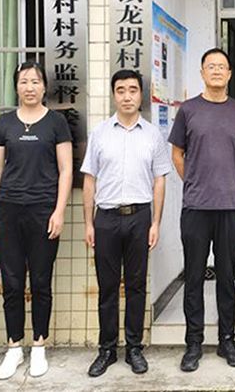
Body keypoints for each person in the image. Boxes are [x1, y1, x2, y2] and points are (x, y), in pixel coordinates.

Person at [0, 61, 73, 380]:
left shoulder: (56, 122)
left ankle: (39, 346)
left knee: (42, 281)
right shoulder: (5, 123)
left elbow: (66, 170)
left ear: (44, 86)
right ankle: (14, 347)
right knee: (12, 282)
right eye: (24, 81)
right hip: (8, 211)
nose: (30, 87)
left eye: (35, 81)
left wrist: (59, 211)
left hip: (43, 211)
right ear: (17, 87)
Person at [81, 70, 172, 377]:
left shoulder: (152, 135)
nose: (127, 96)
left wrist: (156, 222)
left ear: (141, 95)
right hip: (106, 218)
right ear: (113, 95)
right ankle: (107, 349)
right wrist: (89, 224)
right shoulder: (99, 133)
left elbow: (160, 181)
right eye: (121, 90)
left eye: (133, 90)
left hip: (139, 217)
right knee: (107, 287)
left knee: (136, 285)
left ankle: (134, 347)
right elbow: (90, 180)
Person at [169, 48, 235, 372]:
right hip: (196, 207)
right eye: (211, 66)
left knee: (227, 277)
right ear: (202, 73)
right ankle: (193, 343)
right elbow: (177, 153)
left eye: (222, 67)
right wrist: (194, 182)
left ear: (229, 74)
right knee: (194, 276)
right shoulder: (188, 110)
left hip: (229, 206)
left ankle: (227, 340)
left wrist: (230, 182)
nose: (216, 71)